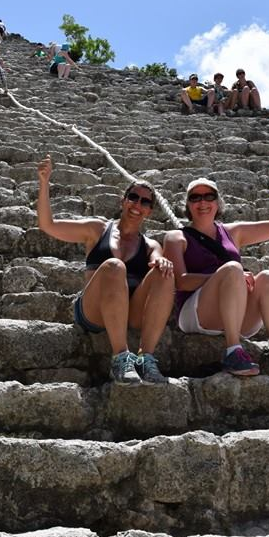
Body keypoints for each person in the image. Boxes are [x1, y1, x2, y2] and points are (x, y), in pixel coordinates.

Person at [163, 163, 269, 379]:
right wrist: (225, 277)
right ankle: (233, 350)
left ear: (217, 202)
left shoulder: (233, 232)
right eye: (195, 198)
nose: (202, 202)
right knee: (233, 269)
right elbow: (181, 282)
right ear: (187, 205)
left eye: (209, 196)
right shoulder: (176, 237)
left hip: (237, 311)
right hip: (196, 313)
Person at [37, 155, 175, 383]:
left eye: (145, 202)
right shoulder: (97, 229)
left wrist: (163, 261)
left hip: (130, 313)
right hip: (93, 311)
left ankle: (145, 358)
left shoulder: (151, 246)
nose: (137, 205)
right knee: (113, 266)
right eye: (133, 197)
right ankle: (121, 357)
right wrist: (44, 183)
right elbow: (48, 225)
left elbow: (159, 259)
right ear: (123, 200)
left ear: (150, 211)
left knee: (165, 271)